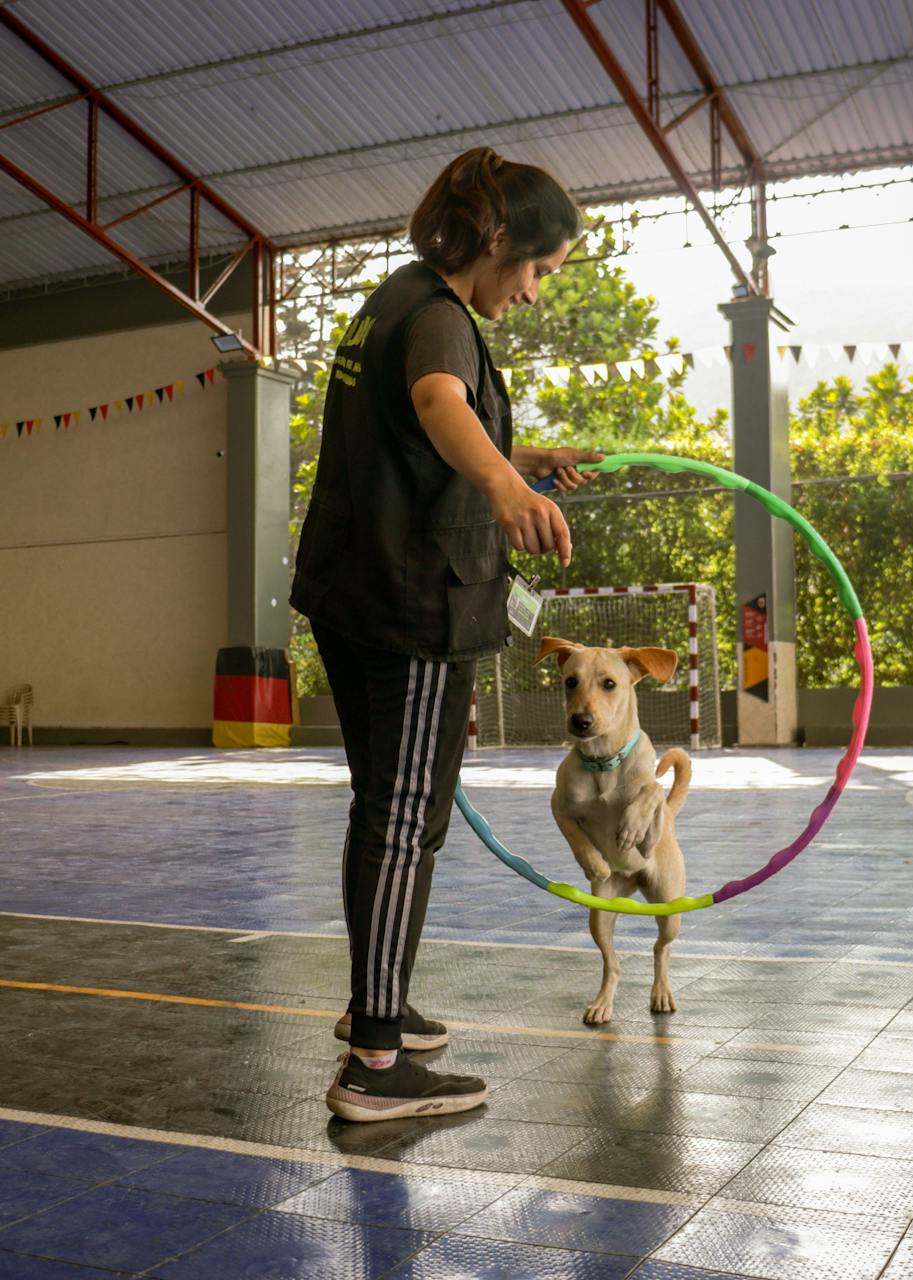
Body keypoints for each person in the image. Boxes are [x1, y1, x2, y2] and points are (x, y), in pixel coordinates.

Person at [291, 146, 600, 1122]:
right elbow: (436, 403)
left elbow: (414, 429)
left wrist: (517, 456)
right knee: (405, 819)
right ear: (500, 242)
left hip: (355, 591)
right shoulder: (440, 318)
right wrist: (507, 486)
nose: (538, 290)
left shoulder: (397, 299)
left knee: (382, 808)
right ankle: (378, 1067)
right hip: (415, 602)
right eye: (540, 269)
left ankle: (373, 1009)